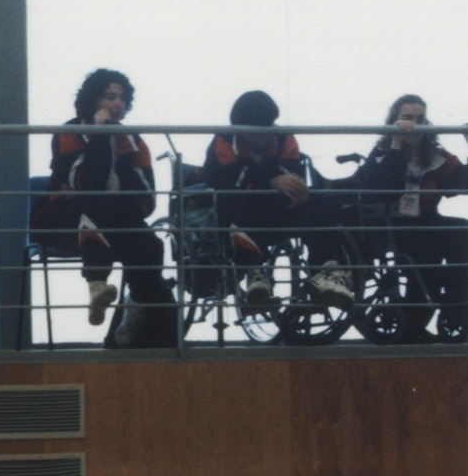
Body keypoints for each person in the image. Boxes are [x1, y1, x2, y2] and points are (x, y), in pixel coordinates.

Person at [38, 68, 170, 339]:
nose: (118, 104)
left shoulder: (133, 140)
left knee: (150, 243)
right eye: (110, 97)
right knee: (92, 208)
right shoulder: (69, 132)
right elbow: (88, 182)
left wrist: (103, 191)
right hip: (62, 218)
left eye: (122, 99)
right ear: (93, 100)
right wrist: (99, 136)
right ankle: (97, 285)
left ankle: (134, 313)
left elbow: (146, 200)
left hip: (112, 218)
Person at [202, 91, 355, 310]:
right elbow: (230, 183)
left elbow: (294, 172)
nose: (262, 139)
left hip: (275, 209)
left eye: (267, 131)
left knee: (316, 199)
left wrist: (297, 188)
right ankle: (254, 271)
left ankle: (325, 269)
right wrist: (272, 179)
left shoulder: (284, 137)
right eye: (255, 133)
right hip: (237, 213)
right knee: (234, 201)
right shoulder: (223, 141)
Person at [344, 94, 468, 334]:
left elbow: (462, 183)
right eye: (407, 117)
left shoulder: (435, 155)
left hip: (425, 218)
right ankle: (414, 322)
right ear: (394, 121)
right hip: (391, 222)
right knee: (426, 249)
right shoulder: (381, 153)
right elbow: (382, 190)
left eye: (420, 119)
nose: (413, 124)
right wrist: (397, 144)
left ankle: (458, 297)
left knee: (462, 230)